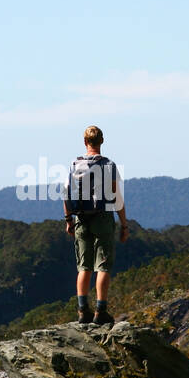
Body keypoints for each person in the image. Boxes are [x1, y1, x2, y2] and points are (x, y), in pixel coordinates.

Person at [63, 125, 128, 324]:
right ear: (101, 141)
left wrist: (69, 220)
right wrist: (124, 224)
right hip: (103, 218)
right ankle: (101, 311)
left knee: (84, 267)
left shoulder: (75, 165)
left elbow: (66, 194)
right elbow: (116, 196)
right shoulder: (108, 165)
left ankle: (83, 311)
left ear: (85, 142)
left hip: (81, 218)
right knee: (103, 266)